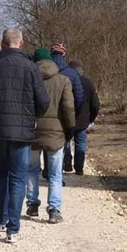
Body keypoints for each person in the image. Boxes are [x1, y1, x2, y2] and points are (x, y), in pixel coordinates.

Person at [0, 28, 49, 243]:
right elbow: (43, 102)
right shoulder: (31, 68)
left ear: (1, 44)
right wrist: (31, 116)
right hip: (22, 133)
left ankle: (1, 218)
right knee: (17, 179)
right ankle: (13, 229)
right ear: (22, 43)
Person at [25, 48, 75, 224]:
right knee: (55, 173)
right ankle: (54, 209)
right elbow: (68, 107)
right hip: (56, 131)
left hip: (33, 130)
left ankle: (32, 204)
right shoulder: (63, 80)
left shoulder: (29, 79)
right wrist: (70, 129)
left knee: (31, 170)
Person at [49, 43, 84, 172]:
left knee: (49, 143)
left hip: (46, 113)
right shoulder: (72, 73)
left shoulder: (40, 69)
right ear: (64, 54)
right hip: (66, 112)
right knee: (65, 138)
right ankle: (60, 167)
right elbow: (79, 97)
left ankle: (49, 169)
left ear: (51, 53)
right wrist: (75, 113)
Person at [68, 58, 101, 175]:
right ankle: (79, 168)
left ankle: (67, 162)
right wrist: (91, 118)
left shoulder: (65, 80)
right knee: (80, 143)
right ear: (81, 69)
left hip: (67, 118)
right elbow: (95, 104)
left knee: (66, 141)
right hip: (82, 120)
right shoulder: (88, 82)